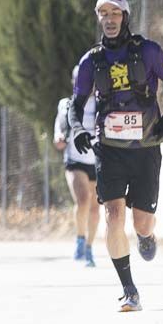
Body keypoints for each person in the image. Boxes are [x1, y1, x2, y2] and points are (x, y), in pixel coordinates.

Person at [72, 0, 163, 312]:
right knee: (113, 215)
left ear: (125, 17)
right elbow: (75, 106)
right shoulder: (90, 61)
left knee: (141, 223)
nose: (109, 19)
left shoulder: (148, 51)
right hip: (109, 149)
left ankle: (147, 237)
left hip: (146, 148)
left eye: (115, 13)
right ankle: (129, 289)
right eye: (102, 14)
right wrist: (79, 129)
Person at [54, 65, 100, 267]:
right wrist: (59, 138)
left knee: (95, 209)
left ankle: (90, 248)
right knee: (83, 200)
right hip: (75, 161)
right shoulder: (66, 104)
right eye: (79, 79)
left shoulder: (102, 104)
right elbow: (59, 129)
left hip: (98, 161)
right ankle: (80, 239)